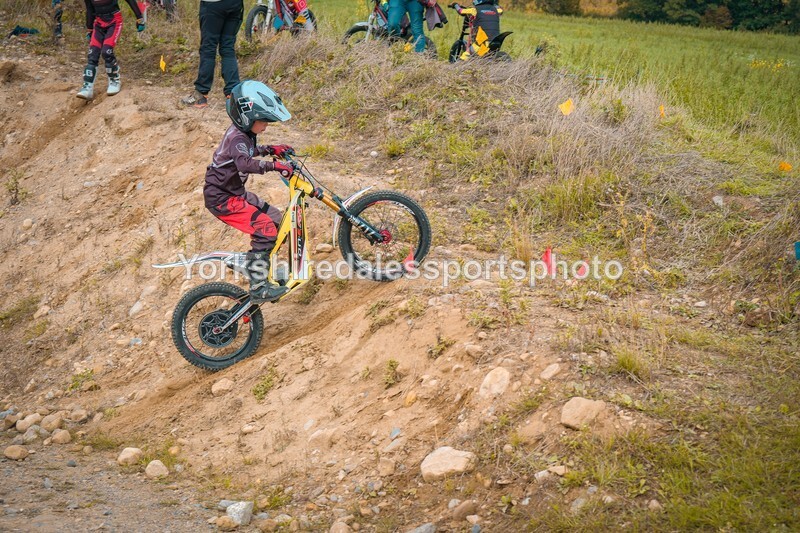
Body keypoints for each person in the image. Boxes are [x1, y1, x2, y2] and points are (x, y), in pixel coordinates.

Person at [204, 80, 296, 302]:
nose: (265, 126)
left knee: (278, 222)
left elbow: (249, 150)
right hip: (223, 199)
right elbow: (245, 163)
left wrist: (271, 149)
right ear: (247, 118)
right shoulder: (237, 137)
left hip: (235, 193)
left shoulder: (242, 134)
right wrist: (274, 165)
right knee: (265, 228)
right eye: (263, 121)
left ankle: (260, 268)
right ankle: (258, 286)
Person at [77, 0, 145, 100]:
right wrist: (89, 29)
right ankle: (88, 87)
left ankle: (114, 80)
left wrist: (139, 18)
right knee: (92, 53)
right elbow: (89, 9)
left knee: (106, 51)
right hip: (98, 22)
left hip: (114, 21)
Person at [182, 0, 243, 109]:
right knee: (228, 48)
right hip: (235, 4)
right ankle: (233, 94)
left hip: (213, 4)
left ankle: (201, 94)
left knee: (208, 48)